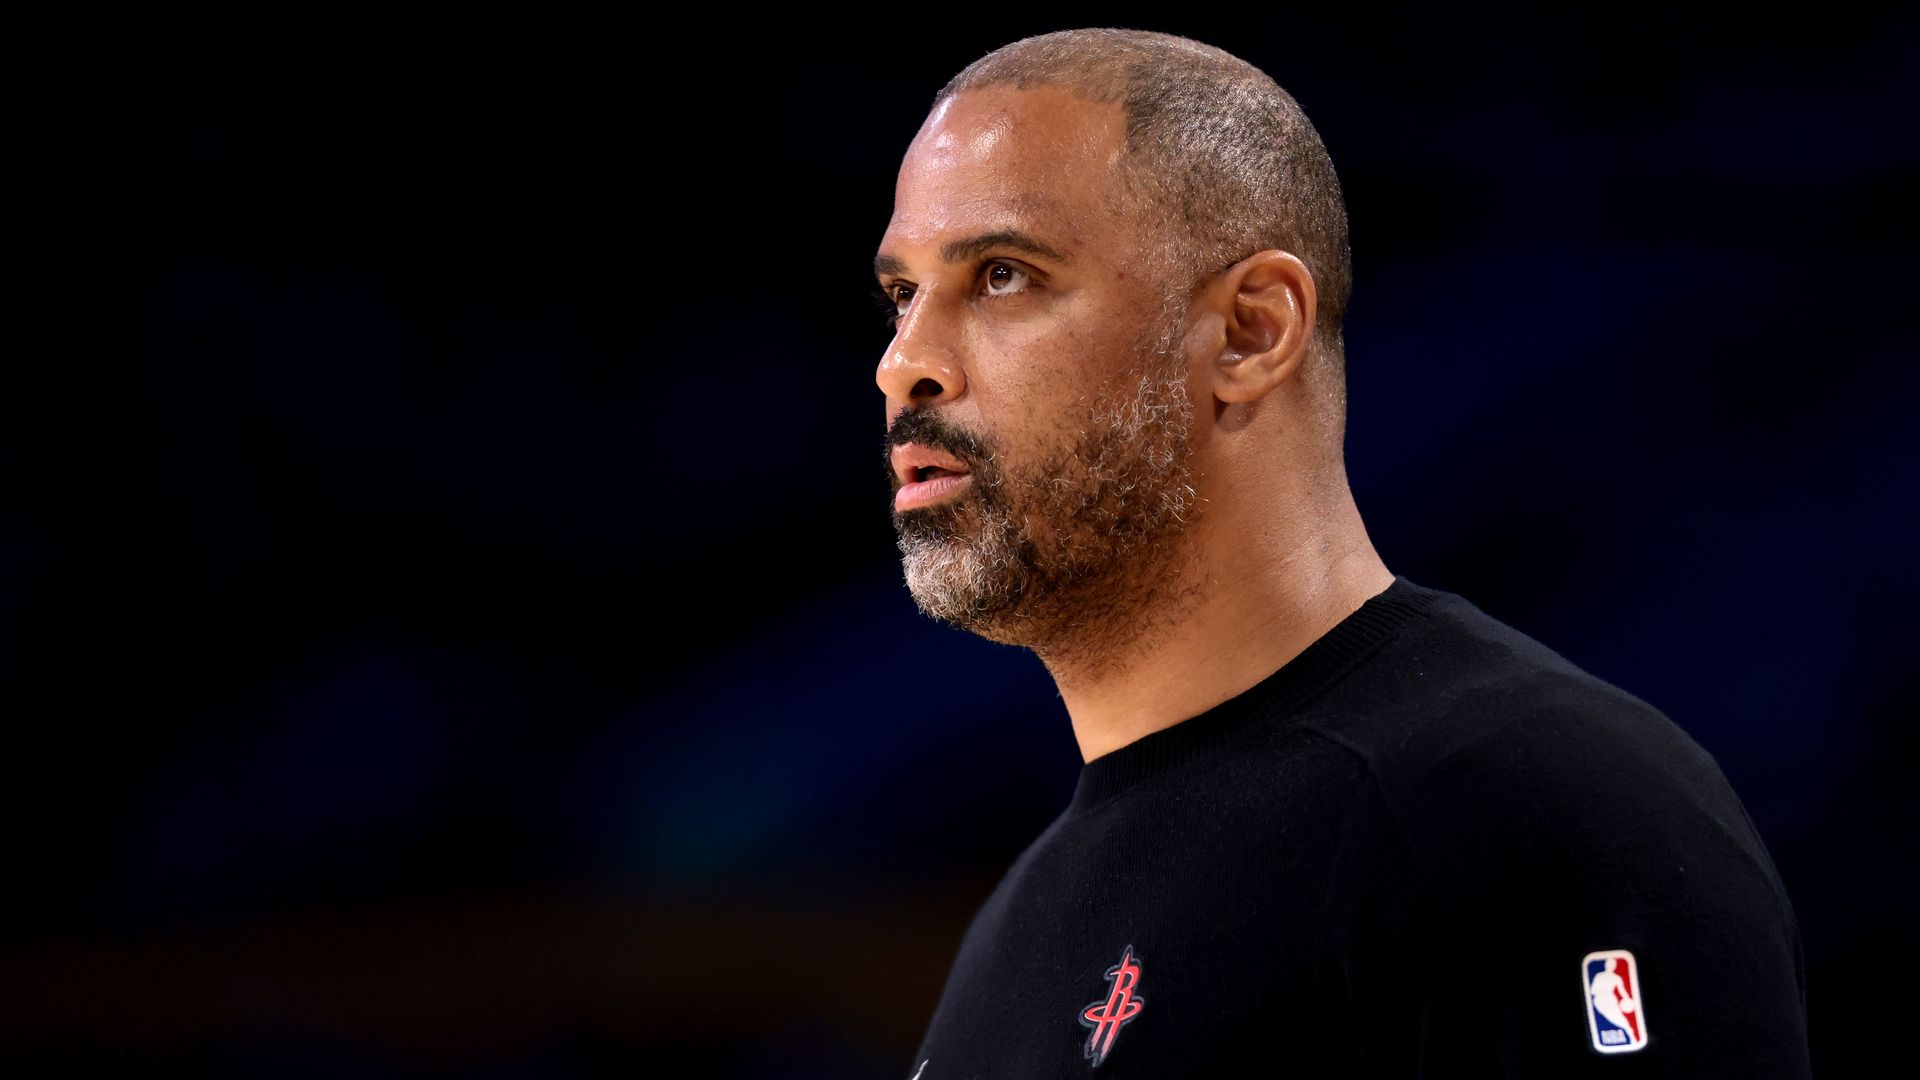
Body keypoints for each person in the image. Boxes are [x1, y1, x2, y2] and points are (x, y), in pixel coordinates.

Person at [871, 27, 1812, 1079]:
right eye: (903, 295)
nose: (904, 364)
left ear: (1250, 332)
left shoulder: (1540, 812)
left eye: (1002, 275)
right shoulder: (1022, 918)